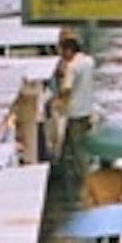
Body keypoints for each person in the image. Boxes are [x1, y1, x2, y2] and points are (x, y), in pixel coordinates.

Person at [52, 29, 99, 175]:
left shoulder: (72, 67)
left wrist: (57, 102)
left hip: (74, 113)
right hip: (87, 110)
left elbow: (66, 89)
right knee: (84, 144)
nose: (62, 56)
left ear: (69, 50)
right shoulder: (89, 61)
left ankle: (86, 176)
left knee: (78, 148)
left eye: (63, 52)